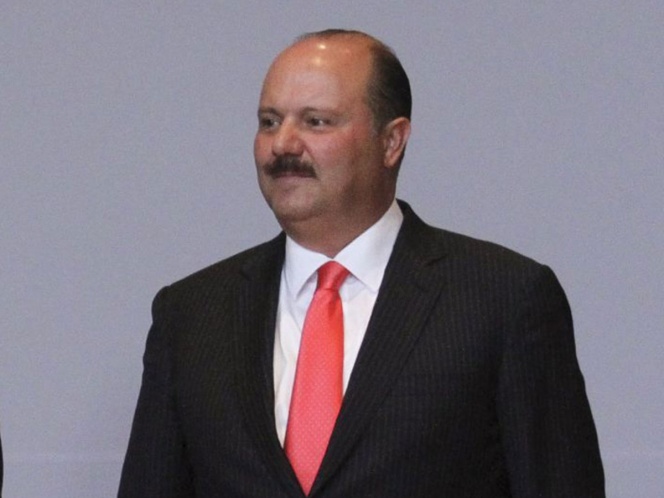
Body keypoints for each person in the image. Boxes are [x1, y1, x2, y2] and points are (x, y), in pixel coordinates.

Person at [118, 29, 604, 497]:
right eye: (269, 121)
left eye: (316, 122)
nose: (283, 144)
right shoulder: (190, 315)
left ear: (391, 142)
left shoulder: (503, 300)